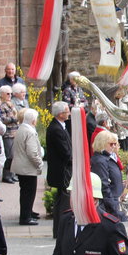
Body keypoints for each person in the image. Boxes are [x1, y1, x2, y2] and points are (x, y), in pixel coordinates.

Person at [11, 108, 43, 226]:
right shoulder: (29, 131)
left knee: (26, 192)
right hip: (27, 167)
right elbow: (32, 152)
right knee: (28, 192)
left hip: (22, 165)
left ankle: (28, 212)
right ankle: (25, 217)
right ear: (33, 120)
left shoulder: (22, 128)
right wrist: (39, 164)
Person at [46, 101, 72, 238]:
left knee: (62, 200)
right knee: (62, 202)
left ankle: (60, 229)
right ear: (61, 113)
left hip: (63, 170)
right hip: (61, 171)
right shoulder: (56, 129)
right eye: (67, 111)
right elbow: (65, 152)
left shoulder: (61, 126)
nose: (69, 113)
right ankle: (59, 230)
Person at [91, 131, 125, 220]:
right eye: (111, 144)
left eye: (115, 144)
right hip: (109, 207)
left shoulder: (105, 158)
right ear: (102, 143)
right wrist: (114, 206)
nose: (114, 146)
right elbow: (103, 186)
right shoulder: (100, 161)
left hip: (114, 202)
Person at [0, 85, 19, 183]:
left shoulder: (11, 104)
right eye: (7, 94)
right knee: (9, 155)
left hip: (15, 132)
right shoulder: (2, 105)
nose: (10, 95)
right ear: (2, 94)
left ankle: (12, 174)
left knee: (14, 155)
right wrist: (14, 119)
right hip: (8, 133)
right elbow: (3, 119)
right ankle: (6, 175)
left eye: (11, 93)